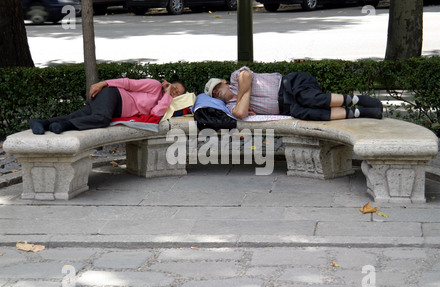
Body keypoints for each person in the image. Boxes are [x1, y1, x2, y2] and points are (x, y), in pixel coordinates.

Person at [204, 66, 383, 121]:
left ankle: (358, 99)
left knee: (309, 98)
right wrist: (243, 98)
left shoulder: (236, 77)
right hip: (287, 108)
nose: (216, 92)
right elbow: (240, 113)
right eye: (214, 94)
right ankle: (361, 112)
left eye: (216, 87)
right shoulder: (229, 107)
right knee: (308, 112)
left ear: (223, 81)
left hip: (290, 84)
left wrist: (244, 94)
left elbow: (247, 75)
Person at [29, 78, 186, 135]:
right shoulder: (153, 85)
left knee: (80, 115)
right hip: (113, 95)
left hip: (113, 108)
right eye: (175, 87)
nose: (175, 91)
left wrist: (166, 95)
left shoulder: (164, 101)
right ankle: (63, 126)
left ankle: (42, 122)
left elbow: (154, 114)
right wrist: (102, 84)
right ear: (169, 82)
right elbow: (128, 83)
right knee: (102, 119)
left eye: (178, 93)